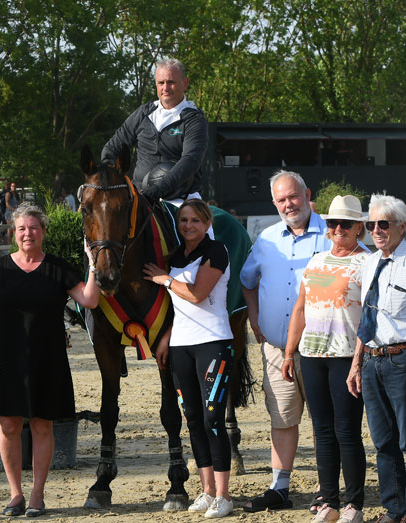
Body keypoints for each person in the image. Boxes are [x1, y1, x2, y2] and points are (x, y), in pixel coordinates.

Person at [0, 203, 99, 517]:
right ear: (13, 234)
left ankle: (37, 494)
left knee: (44, 425)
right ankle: (15, 494)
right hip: (5, 360)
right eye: (22, 228)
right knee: (8, 425)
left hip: (47, 359)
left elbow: (90, 300)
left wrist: (94, 265)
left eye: (33, 228)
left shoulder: (58, 268)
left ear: (43, 231)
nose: (28, 233)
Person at [240, 170, 332, 513]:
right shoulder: (266, 239)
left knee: (325, 421)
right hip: (277, 349)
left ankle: (327, 489)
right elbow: (247, 280)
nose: (288, 204)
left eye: (293, 196)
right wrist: (253, 313)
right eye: (281, 199)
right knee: (282, 418)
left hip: (320, 348)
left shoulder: (332, 235)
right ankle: (280, 488)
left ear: (307, 193)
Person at [346, 194, 406, 523]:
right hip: (372, 360)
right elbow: (367, 318)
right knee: (383, 442)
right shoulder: (370, 262)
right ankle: (393, 508)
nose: (376, 230)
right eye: (371, 225)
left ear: (402, 226)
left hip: (404, 361)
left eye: (383, 224)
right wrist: (357, 362)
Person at [143, 199, 235, 518]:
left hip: (213, 342)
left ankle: (224, 495)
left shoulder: (216, 251)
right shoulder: (176, 256)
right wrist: (166, 338)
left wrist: (165, 279)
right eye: (183, 220)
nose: (188, 226)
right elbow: (177, 307)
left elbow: (196, 295)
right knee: (192, 420)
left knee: (212, 420)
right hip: (182, 346)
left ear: (207, 223)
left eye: (195, 220)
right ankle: (207, 491)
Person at [281, 195, 369, 523]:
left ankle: (354, 504)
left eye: (345, 224)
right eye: (332, 223)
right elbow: (300, 308)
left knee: (347, 430)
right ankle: (329, 501)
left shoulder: (367, 262)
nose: (338, 229)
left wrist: (361, 361)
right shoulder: (316, 261)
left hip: (347, 356)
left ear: (359, 227)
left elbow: (371, 317)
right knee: (322, 430)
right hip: (312, 354)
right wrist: (290, 353)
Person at [101, 58, 208, 202]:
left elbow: (190, 161)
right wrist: (109, 179)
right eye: (161, 83)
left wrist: (154, 192)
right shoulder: (143, 113)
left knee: (193, 225)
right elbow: (112, 148)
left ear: (185, 83)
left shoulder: (194, 119)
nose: (165, 88)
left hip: (182, 199)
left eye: (171, 82)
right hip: (139, 195)